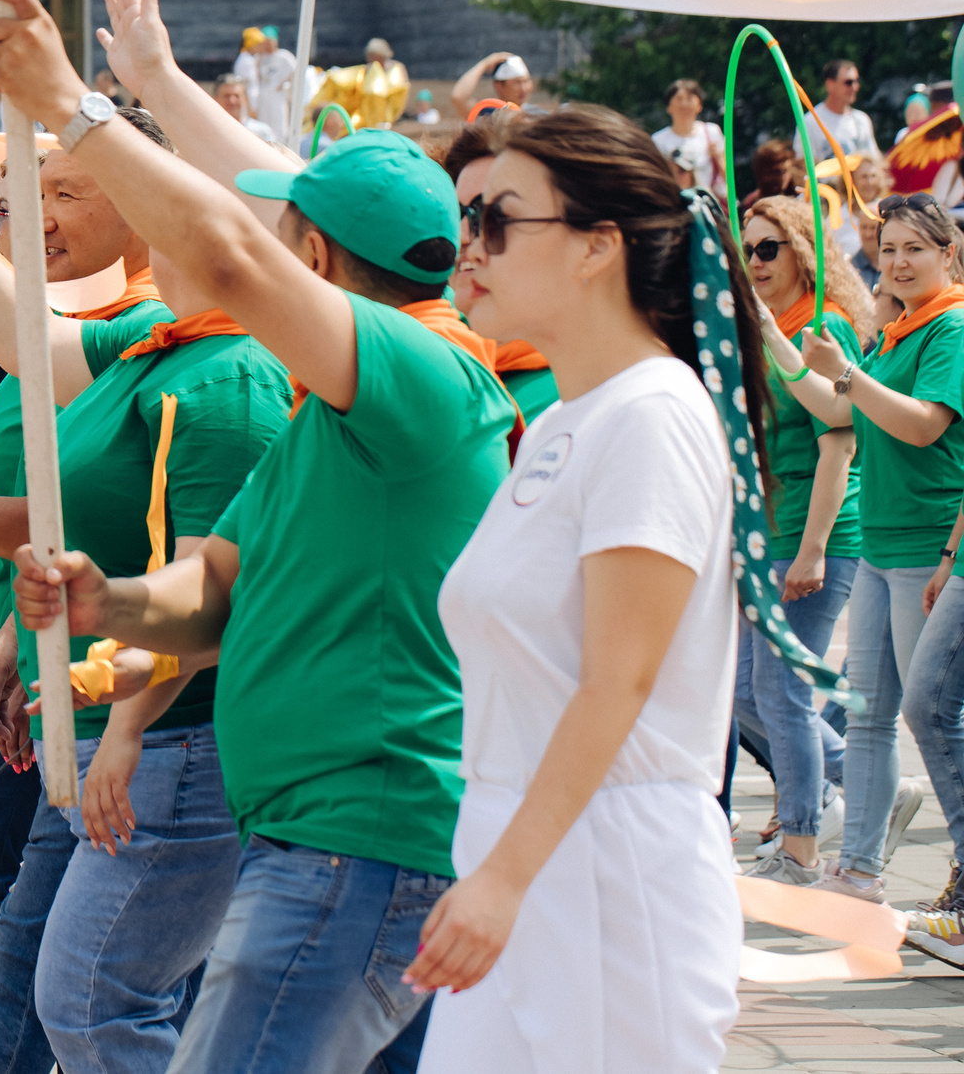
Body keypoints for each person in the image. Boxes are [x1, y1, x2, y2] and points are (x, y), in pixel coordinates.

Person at [0, 0, 518, 1073]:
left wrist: (72, 109)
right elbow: (213, 592)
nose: (250, 250)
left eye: (283, 237)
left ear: (315, 262)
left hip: (357, 844)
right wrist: (107, 598)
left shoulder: (421, 371)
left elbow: (228, 246)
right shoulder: (327, 419)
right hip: (320, 839)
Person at [0, 97, 291, 1074]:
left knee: (99, 1004)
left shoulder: (225, 379)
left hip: (177, 744)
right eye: (24, 195)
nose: (35, 215)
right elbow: (14, 337)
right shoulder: (152, 348)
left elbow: (204, 602)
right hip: (107, 719)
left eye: (69, 191)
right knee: (42, 976)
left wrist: (121, 715)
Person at [398, 108, 761, 1070]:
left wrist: (503, 881)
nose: (467, 247)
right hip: (528, 843)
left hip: (607, 864)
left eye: (499, 221)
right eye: (465, 217)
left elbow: (619, 681)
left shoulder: (651, 415)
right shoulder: (570, 414)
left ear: (599, 246)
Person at [777, 193, 963, 905]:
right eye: (888, 249)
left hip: (928, 546)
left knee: (933, 715)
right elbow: (836, 410)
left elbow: (920, 426)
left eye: (915, 248)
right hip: (885, 546)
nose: (898, 262)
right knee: (867, 715)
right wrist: (777, 336)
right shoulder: (898, 331)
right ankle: (858, 869)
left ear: (948, 252)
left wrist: (849, 374)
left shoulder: (949, 326)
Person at [732, 196, 870, 886]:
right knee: (746, 689)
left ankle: (803, 846)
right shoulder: (763, 325)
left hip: (817, 532)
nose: (755, 260)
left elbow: (839, 441)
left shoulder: (823, 326)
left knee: (778, 688)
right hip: (769, 533)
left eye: (768, 247)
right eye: (747, 248)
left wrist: (813, 547)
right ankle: (859, 784)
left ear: (803, 249)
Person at [442, 113, 560, 419]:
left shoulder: (590, 391)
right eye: (456, 212)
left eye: (491, 215)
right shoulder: (434, 355)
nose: (463, 235)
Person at [803, 58, 883, 168]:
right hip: (827, 185)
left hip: (856, 185)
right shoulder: (810, 122)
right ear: (830, 85)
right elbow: (803, 167)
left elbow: (875, 162)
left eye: (857, 81)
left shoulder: (861, 120)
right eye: (848, 82)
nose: (855, 87)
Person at [651, 79, 726, 192]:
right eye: (679, 98)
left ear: (699, 105)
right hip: (676, 202)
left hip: (710, 201)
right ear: (668, 106)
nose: (684, 104)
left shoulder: (712, 132)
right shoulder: (658, 140)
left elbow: (728, 175)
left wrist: (718, 157)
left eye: (690, 98)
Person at [452, 51, 535, 115]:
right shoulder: (488, 116)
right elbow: (459, 97)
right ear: (499, 86)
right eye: (517, 82)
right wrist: (485, 63)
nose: (524, 88)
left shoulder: (537, 116)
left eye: (526, 81)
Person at [214, 76, 280, 146]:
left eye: (237, 96)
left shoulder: (262, 131)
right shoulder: (210, 129)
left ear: (245, 99)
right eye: (227, 96)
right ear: (215, 99)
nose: (232, 101)